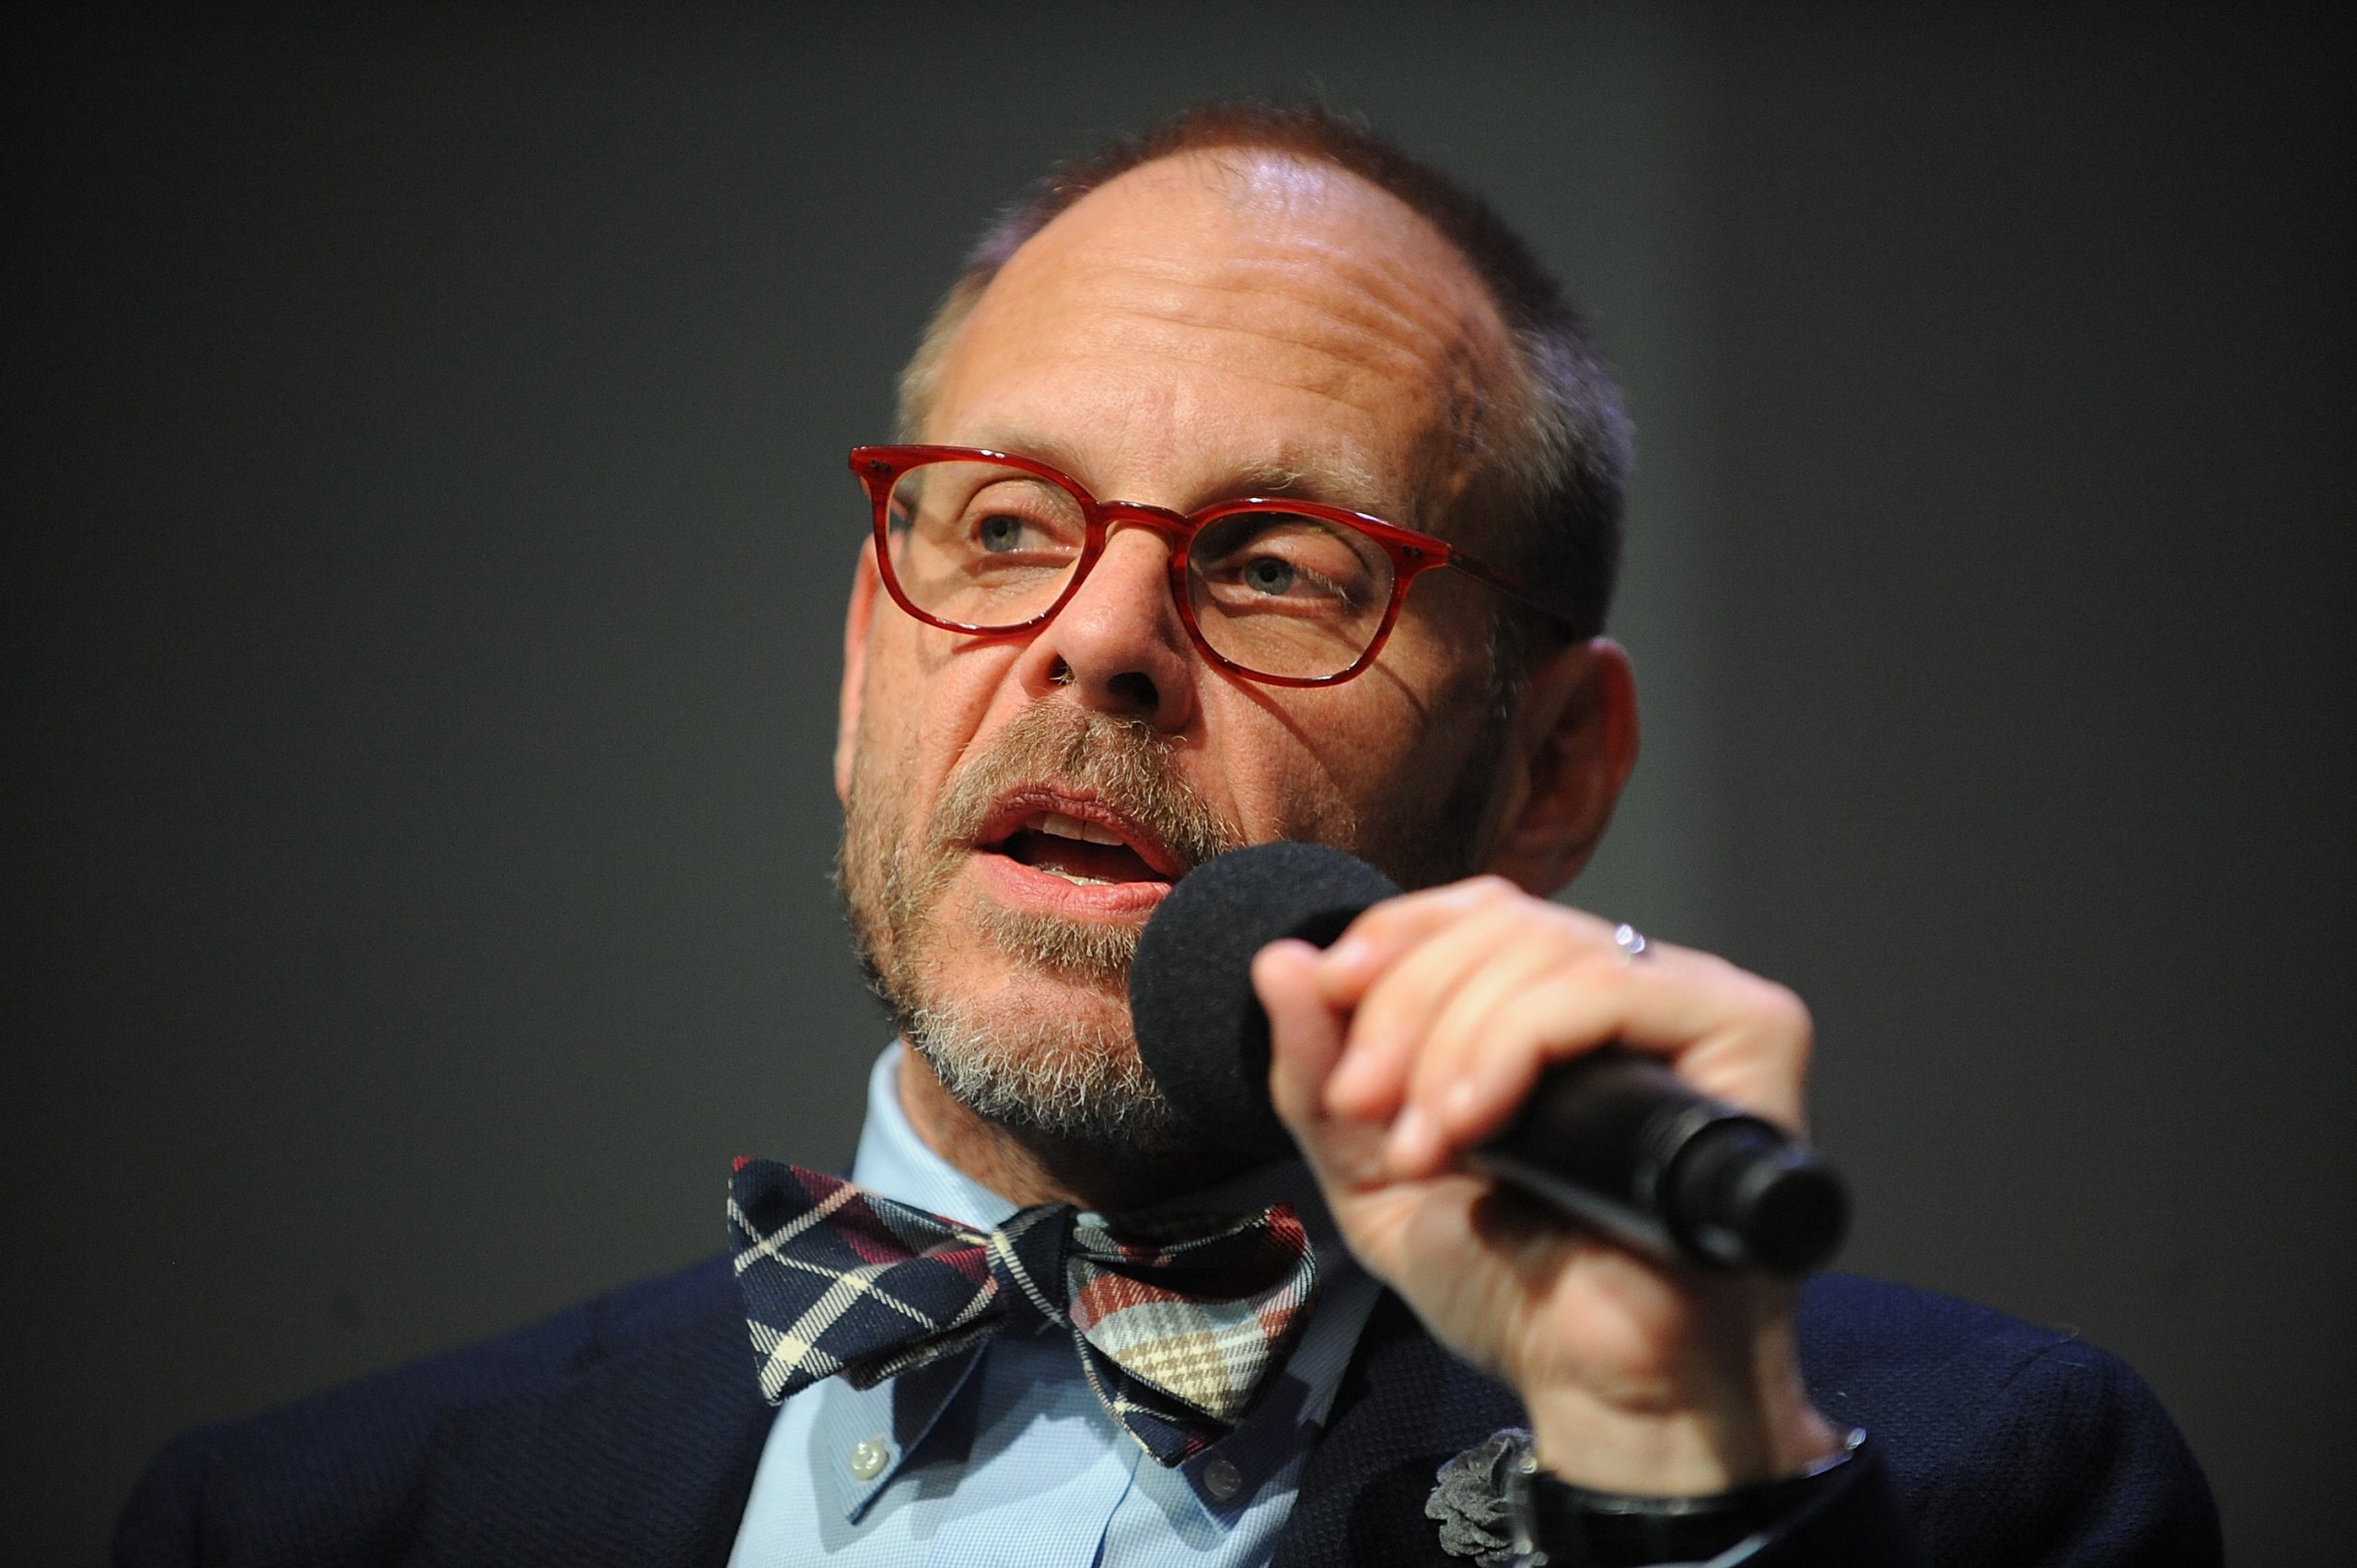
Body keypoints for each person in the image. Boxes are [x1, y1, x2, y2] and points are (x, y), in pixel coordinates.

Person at [114, 103, 2220, 1567]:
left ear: (1553, 766)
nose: (1093, 640)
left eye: (1278, 564)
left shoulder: (1965, 1493)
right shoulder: (300, 1525)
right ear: (865, 666)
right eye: (1006, 528)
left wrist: (1679, 1481)